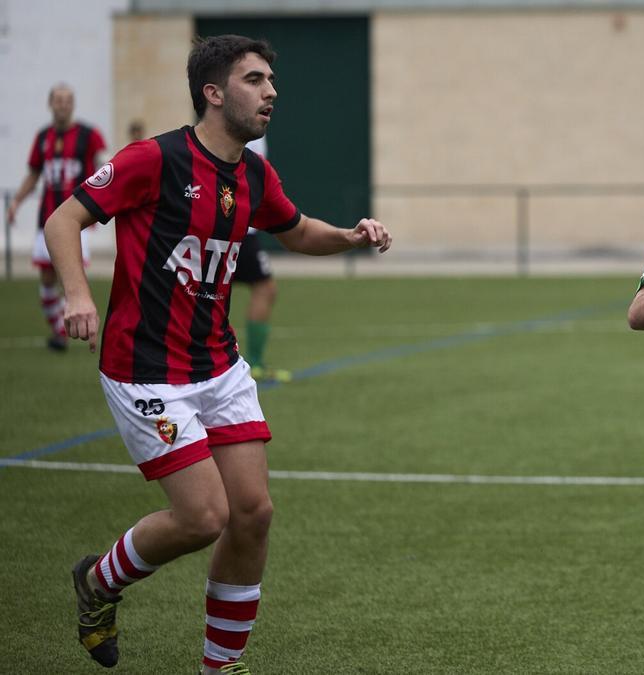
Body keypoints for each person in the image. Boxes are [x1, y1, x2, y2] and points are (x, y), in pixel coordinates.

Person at [43, 35, 392, 673]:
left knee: (253, 513)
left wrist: (347, 236)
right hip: (146, 367)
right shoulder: (154, 159)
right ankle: (98, 581)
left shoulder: (254, 172)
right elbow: (63, 219)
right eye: (255, 80)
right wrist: (76, 296)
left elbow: (296, 229)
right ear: (214, 93)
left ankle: (219, 666)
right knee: (205, 515)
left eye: (270, 82)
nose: (271, 93)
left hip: (219, 365)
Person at [6, 83, 107, 351]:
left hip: (78, 220)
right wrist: (16, 202)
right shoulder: (43, 137)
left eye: (67, 100)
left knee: (71, 275)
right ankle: (59, 331)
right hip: (47, 220)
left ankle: (83, 325)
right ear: (50, 104)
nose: (63, 104)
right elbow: (33, 174)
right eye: (58, 100)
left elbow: (105, 165)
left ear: (73, 104)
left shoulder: (89, 135)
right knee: (47, 279)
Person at [236, 135, 289, 383]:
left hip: (240, 229)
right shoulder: (244, 128)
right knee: (265, 289)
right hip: (241, 230)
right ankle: (253, 364)